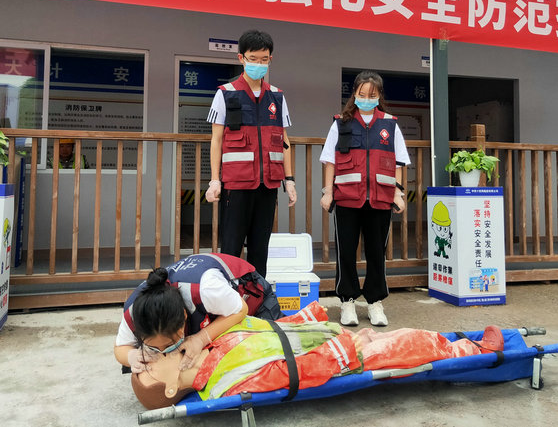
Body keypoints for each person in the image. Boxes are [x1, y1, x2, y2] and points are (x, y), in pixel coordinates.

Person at [130, 301, 505, 409]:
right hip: (338, 359)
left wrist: (309, 318)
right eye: (149, 370)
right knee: (410, 345)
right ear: (169, 389)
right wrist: (346, 349)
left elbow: (267, 329)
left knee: (397, 338)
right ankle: (474, 350)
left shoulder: (208, 348)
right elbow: (291, 373)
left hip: (322, 339)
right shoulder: (225, 384)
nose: (152, 359)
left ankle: (457, 345)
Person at [319, 70, 410, 327]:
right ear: (355, 94)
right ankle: (347, 301)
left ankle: (375, 302)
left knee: (376, 253)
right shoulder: (341, 123)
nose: (367, 99)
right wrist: (328, 192)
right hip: (347, 198)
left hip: (380, 199)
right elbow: (330, 161)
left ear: (379, 96)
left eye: (372, 95)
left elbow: (399, 162)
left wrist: (398, 193)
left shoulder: (390, 124)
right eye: (362, 94)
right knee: (346, 252)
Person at [205, 30, 297, 277]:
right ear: (241, 58)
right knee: (231, 246)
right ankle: (229, 294)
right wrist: (215, 180)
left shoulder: (277, 96)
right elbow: (216, 140)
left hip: (268, 185)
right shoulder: (225, 93)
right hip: (236, 184)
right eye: (253, 58)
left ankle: (257, 294)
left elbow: (284, 141)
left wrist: (289, 180)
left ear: (270, 59)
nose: (258, 64)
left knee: (260, 247)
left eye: (263, 59)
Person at [114, 253, 283, 374]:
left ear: (184, 317)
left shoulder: (207, 289)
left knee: (270, 353)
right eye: (153, 347)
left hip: (250, 296)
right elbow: (120, 347)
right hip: (213, 307)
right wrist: (132, 356)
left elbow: (240, 309)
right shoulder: (135, 312)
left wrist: (201, 338)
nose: (163, 352)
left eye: (168, 345)